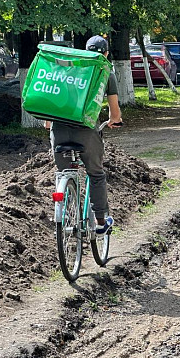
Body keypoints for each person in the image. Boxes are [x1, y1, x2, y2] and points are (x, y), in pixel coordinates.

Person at [45, 35, 122, 234]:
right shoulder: (106, 73)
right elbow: (115, 113)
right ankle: (99, 222)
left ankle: (65, 209)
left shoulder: (68, 69)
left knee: (63, 173)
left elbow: (52, 99)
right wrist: (114, 120)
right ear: (105, 54)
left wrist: (48, 122)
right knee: (96, 174)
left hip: (59, 132)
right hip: (86, 133)